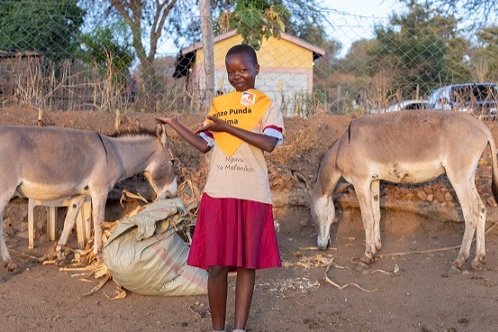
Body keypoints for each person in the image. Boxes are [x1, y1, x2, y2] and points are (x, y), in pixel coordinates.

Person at [156, 44, 284, 332]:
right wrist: (175, 124)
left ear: (256, 70)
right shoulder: (220, 106)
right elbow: (205, 145)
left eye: (244, 69)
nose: (238, 75)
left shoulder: (267, 105)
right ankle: (218, 329)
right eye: (231, 71)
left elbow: (269, 143)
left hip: (252, 193)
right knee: (216, 266)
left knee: (246, 264)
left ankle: (239, 328)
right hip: (218, 193)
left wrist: (228, 128)